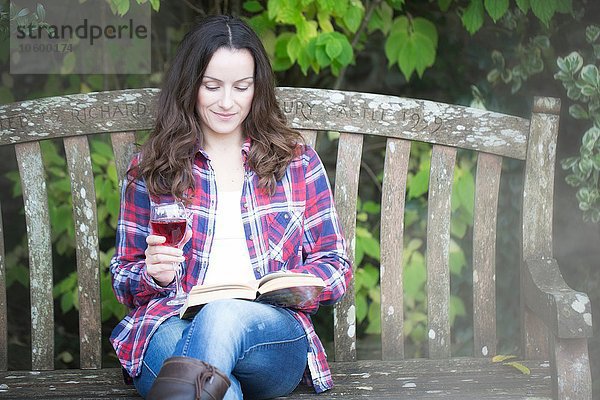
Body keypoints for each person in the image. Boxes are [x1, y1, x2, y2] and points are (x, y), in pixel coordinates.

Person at [110, 14, 352, 400]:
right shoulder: (152, 167)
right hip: (170, 324)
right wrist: (152, 276)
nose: (227, 102)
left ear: (258, 89)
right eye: (212, 86)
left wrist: (296, 287)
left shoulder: (296, 163)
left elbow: (336, 266)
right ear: (190, 87)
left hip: (269, 337)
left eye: (242, 87)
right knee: (223, 390)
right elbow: (123, 275)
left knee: (222, 314)